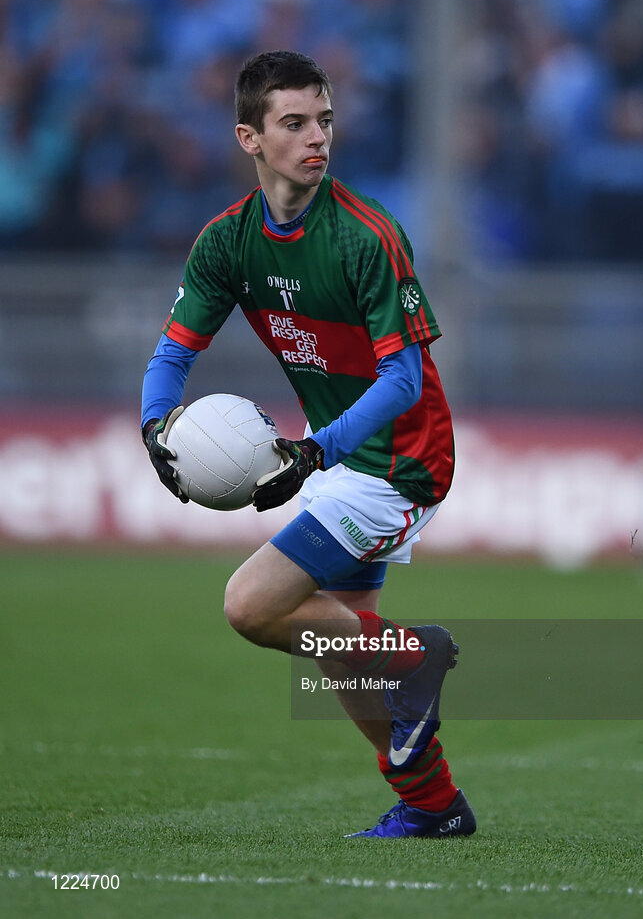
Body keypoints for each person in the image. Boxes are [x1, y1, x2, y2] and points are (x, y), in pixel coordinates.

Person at [141, 50, 476, 839]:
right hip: (339, 461)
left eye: (323, 119)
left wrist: (313, 452)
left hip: (400, 461)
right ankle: (434, 805)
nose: (315, 137)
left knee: (252, 606)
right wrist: (155, 425)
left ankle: (414, 655)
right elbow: (172, 353)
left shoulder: (367, 236)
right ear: (249, 138)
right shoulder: (227, 243)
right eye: (293, 123)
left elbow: (401, 381)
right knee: (335, 644)